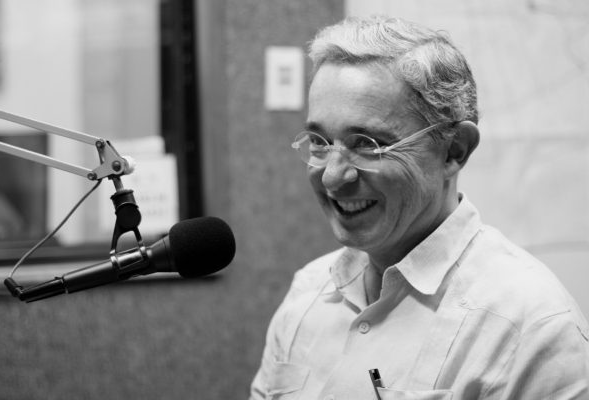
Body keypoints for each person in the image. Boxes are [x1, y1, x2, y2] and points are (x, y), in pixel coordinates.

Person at [249, 15, 589, 400]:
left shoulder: (529, 326)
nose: (331, 177)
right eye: (319, 141)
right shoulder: (307, 293)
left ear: (454, 150)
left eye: (367, 145)